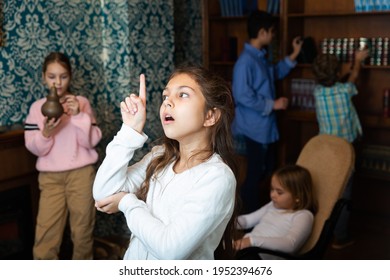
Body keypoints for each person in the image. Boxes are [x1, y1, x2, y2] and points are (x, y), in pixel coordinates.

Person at [93, 65, 238, 260]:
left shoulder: (217, 177)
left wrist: (126, 202)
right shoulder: (160, 156)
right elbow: (103, 193)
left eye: (183, 95)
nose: (168, 102)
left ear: (210, 116)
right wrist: (130, 129)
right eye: (165, 96)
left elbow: (170, 250)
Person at [24, 52, 102, 259]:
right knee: (46, 233)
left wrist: (78, 116)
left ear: (70, 77)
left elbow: (91, 142)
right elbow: (35, 148)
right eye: (51, 76)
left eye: (63, 76)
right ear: (43, 77)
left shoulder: (81, 103)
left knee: (82, 231)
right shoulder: (36, 109)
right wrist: (46, 133)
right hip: (50, 179)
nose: (57, 82)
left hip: (81, 175)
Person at [231, 10, 303, 214]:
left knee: (267, 171)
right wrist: (273, 104)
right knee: (255, 175)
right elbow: (242, 95)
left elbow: (276, 72)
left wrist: (294, 54)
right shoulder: (245, 62)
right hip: (254, 128)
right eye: (272, 31)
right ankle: (247, 220)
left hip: (265, 127)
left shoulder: (260, 57)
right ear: (262, 32)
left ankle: (262, 216)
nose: (273, 36)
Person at [312, 48, 369, 249]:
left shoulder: (317, 93)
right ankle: (340, 236)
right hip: (345, 149)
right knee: (344, 193)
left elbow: (336, 81)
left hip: (326, 149)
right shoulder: (345, 90)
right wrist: (358, 60)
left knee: (327, 190)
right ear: (337, 74)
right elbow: (353, 77)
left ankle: (321, 232)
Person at [234, 164, 317, 259]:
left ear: (298, 196)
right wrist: (227, 222)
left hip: (262, 257)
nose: (273, 195)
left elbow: (290, 244)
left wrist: (251, 241)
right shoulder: (272, 205)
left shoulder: (303, 215)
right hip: (247, 249)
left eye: (279, 192)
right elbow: (247, 220)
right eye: (272, 189)